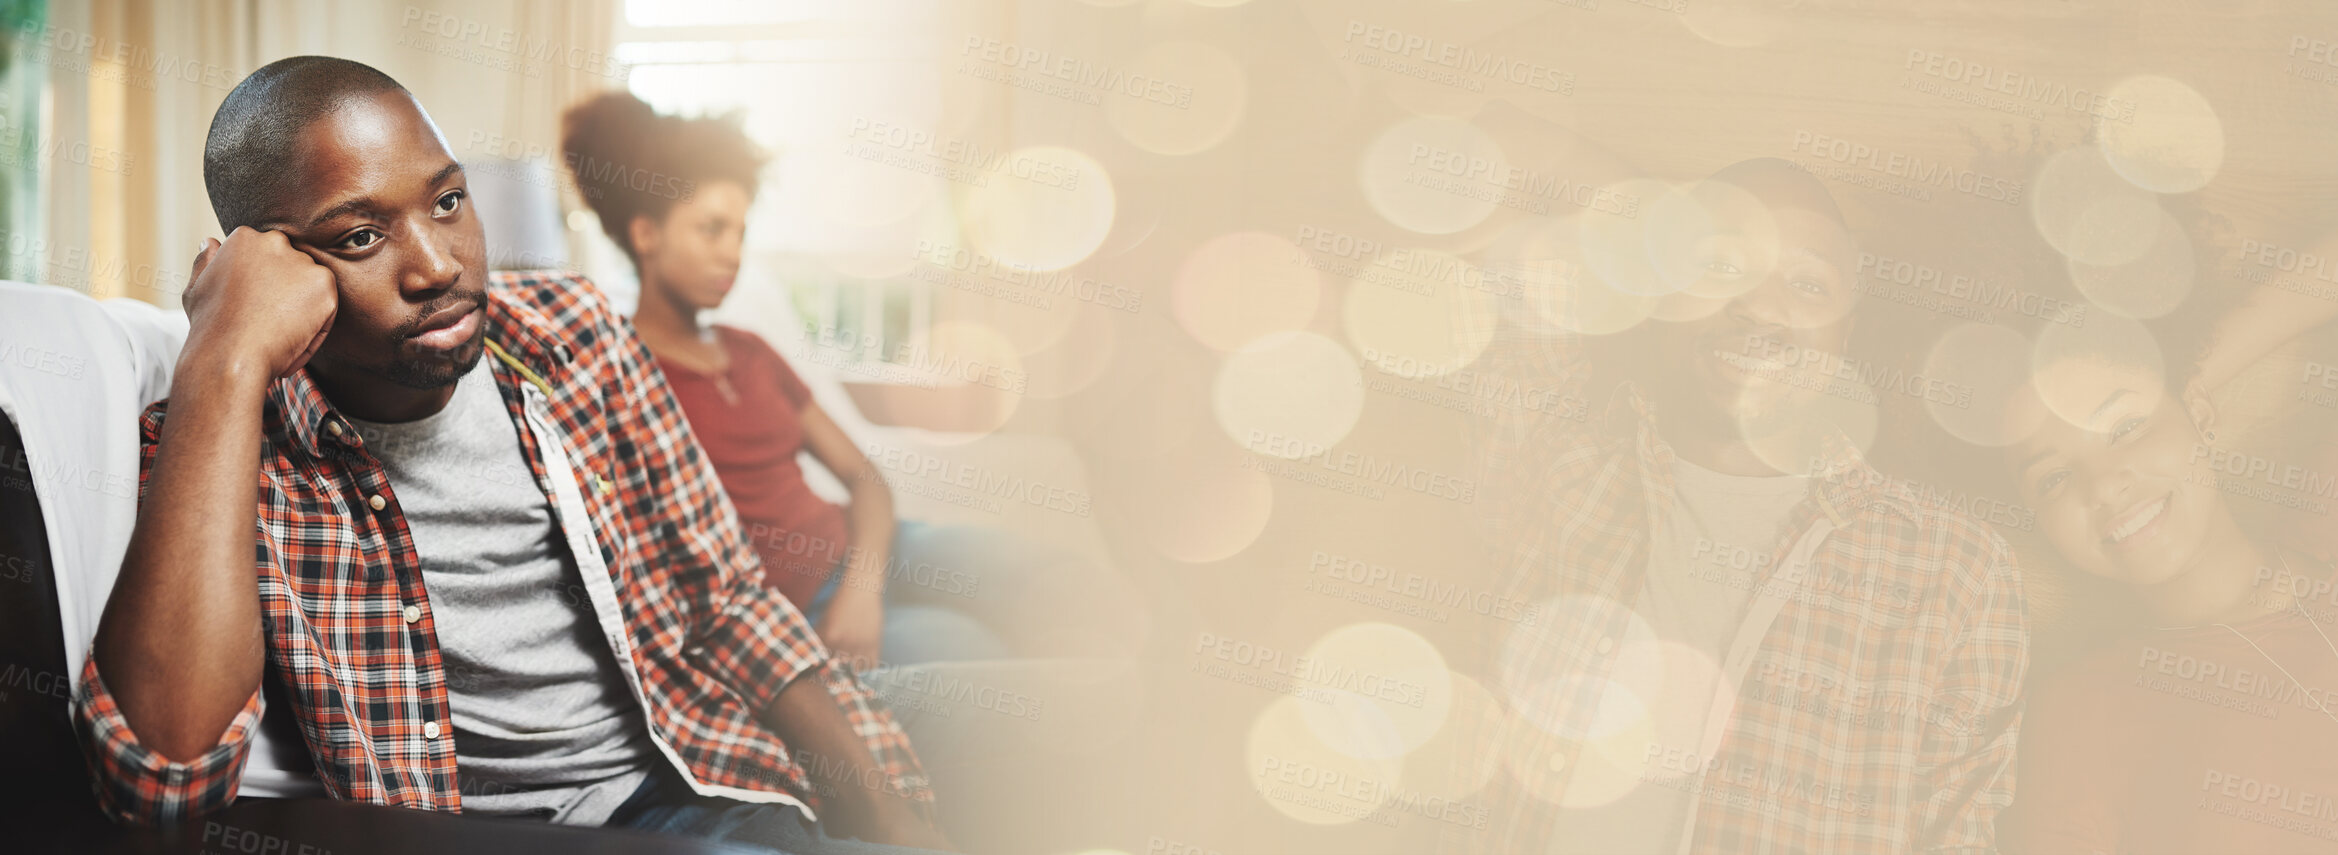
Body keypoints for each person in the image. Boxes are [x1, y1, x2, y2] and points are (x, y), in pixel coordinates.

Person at [72, 55, 954, 855]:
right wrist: (223, 361)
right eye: (360, 237)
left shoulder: (577, 333)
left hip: (691, 772)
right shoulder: (229, 444)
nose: (438, 266)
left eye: (448, 201)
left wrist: (892, 816)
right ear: (274, 270)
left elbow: (728, 604)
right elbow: (163, 787)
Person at [1451, 158, 2029, 853]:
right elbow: (1491, 207)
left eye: (1808, 283)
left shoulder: (1957, 567)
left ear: (1846, 331)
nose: (1760, 305)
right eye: (1722, 266)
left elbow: (1960, 829)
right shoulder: (1560, 468)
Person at [556, 91, 1138, 667]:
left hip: (877, 548)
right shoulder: (623, 373)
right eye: (712, 230)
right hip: (800, 610)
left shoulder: (750, 352)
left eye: (740, 232)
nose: (733, 253)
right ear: (647, 235)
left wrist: (864, 589)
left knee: (1059, 581)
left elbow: (866, 481)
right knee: (981, 657)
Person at [1994, 214, 2338, 853]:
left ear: (2197, 411)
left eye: (2125, 428)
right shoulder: (2080, 716)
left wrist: (2192, 371)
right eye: (2053, 479)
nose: (2104, 484)